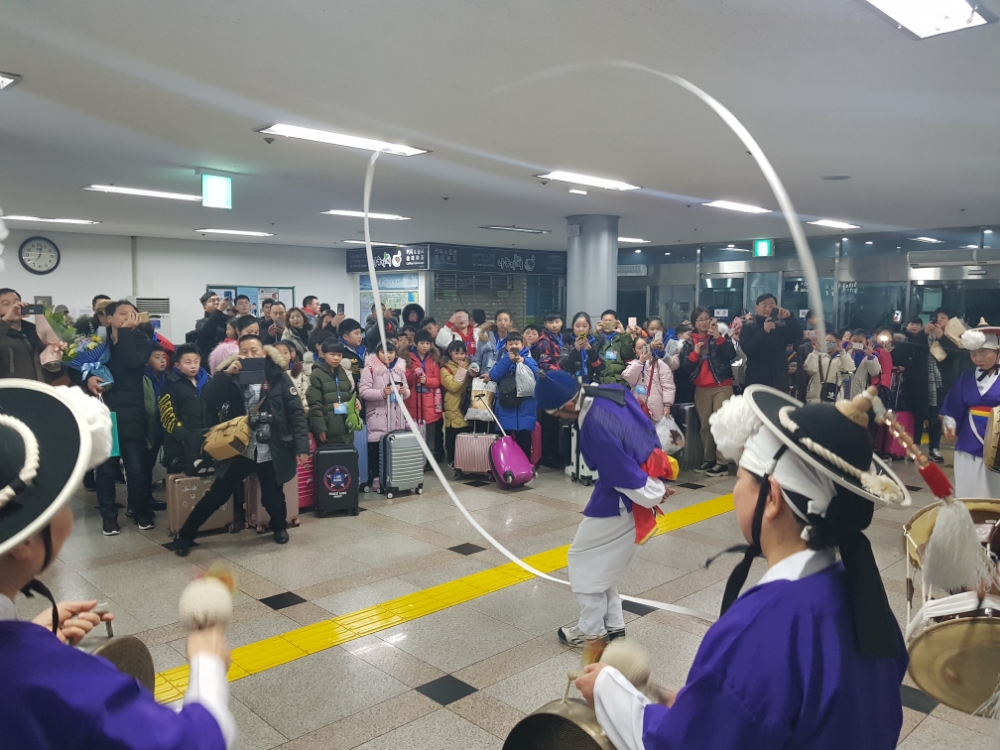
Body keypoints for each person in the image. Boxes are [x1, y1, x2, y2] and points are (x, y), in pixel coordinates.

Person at [577, 386, 908, 750]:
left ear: (772, 498)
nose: (735, 493)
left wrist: (608, 690)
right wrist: (704, 705)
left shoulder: (764, 626)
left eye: (740, 479)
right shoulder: (867, 602)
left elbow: (683, 745)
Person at [0, 380, 236, 749]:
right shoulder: (44, 677)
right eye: (60, 502)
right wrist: (208, 663)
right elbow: (193, 742)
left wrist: (23, 634)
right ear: (24, 544)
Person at [534, 370, 677, 646]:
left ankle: (592, 633)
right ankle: (614, 625)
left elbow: (621, 474)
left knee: (582, 560)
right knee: (602, 562)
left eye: (557, 414)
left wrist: (654, 493)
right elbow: (644, 434)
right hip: (636, 486)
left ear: (567, 405)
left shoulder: (595, 424)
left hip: (622, 500)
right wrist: (657, 481)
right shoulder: (612, 391)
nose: (560, 420)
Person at [174, 335, 309, 555]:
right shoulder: (231, 375)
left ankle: (279, 528)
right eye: (244, 351)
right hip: (238, 448)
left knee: (273, 497)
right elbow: (209, 399)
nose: (250, 355)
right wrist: (227, 375)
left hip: (271, 448)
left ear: (264, 352)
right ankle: (185, 535)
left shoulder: (278, 377)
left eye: (254, 351)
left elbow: (296, 413)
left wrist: (302, 448)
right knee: (217, 495)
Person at [87, 300, 156, 535]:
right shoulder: (97, 343)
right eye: (122, 314)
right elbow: (78, 368)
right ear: (109, 319)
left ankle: (139, 510)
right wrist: (87, 378)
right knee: (106, 470)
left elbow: (132, 362)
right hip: (104, 413)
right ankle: (108, 516)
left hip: (131, 413)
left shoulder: (142, 340)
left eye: (132, 314)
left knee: (136, 468)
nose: (128, 317)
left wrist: (125, 332)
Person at [940, 323, 1000, 497]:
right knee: (967, 486)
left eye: (983, 353)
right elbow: (954, 403)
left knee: (993, 490)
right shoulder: (966, 376)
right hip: (969, 438)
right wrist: (950, 425)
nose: (978, 359)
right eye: (973, 354)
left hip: (997, 440)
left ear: (998, 352)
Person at [678, 308, 737, 477]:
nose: (704, 322)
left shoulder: (719, 337)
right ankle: (708, 459)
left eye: (706, 319)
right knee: (705, 425)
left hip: (722, 385)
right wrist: (695, 355)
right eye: (700, 320)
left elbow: (730, 354)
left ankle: (722, 462)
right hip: (701, 388)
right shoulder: (689, 343)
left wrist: (718, 338)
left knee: (721, 424)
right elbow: (685, 368)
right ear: (694, 323)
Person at [358, 342, 411, 490]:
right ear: (377, 353)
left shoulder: (399, 369)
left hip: (396, 416)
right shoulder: (370, 369)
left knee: (394, 449)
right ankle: (377, 479)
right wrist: (381, 393)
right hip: (377, 417)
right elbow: (363, 391)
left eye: (391, 352)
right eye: (384, 352)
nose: (388, 355)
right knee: (377, 448)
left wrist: (405, 392)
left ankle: (395, 477)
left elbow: (407, 389)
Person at [892, 318, 944, 463]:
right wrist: (923, 334)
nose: (914, 327)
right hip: (917, 384)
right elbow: (904, 352)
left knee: (936, 418)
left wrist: (941, 337)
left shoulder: (942, 337)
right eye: (912, 324)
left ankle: (934, 448)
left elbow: (950, 355)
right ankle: (914, 448)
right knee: (917, 418)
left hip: (937, 385)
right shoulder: (906, 338)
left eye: (917, 324)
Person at [159, 343, 210, 475]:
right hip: (180, 444)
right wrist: (184, 437)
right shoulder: (170, 384)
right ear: (177, 365)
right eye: (188, 362)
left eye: (196, 362)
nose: (193, 366)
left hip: (207, 440)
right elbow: (167, 415)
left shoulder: (207, 381)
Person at [488, 333, 539, 459]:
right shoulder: (503, 358)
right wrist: (507, 361)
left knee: (524, 439)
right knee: (506, 440)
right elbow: (494, 375)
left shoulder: (529, 358)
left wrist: (524, 362)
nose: (514, 346)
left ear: (522, 345)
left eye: (517, 343)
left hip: (525, 405)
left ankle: (525, 465)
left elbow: (537, 375)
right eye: (510, 344)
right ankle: (507, 465)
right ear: (506, 346)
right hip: (506, 406)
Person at [740, 293, 803, 391]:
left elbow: (797, 338)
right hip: (757, 380)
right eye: (764, 305)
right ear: (756, 308)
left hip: (779, 380)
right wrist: (764, 331)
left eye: (771, 305)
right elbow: (747, 348)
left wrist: (790, 319)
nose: (768, 308)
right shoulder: (748, 327)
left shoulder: (781, 326)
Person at [307, 340, 357, 446]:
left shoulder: (342, 372)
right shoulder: (317, 374)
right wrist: (320, 428)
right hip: (328, 428)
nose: (336, 358)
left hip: (345, 426)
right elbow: (315, 404)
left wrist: (356, 400)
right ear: (323, 354)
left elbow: (348, 393)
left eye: (339, 355)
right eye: (332, 354)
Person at [406, 330, 444, 463]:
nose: (425, 346)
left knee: (430, 433)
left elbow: (437, 381)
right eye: (422, 343)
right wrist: (414, 376)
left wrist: (426, 380)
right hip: (413, 401)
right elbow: (406, 379)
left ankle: (429, 461)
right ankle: (416, 461)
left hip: (430, 402)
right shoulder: (408, 358)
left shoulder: (433, 359)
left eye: (428, 343)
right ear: (416, 343)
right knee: (415, 432)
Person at [0, 288, 53, 381]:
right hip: (7, 387)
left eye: (16, 302)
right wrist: (6, 320)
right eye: (6, 304)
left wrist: (56, 354)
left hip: (37, 387)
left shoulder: (35, 331)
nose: (14, 306)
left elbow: (50, 371)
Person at [623, 337, 675, 423]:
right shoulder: (632, 365)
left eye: (645, 347)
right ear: (634, 350)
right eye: (639, 348)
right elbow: (630, 379)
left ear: (649, 347)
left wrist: (667, 406)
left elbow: (668, 386)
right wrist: (640, 362)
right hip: (638, 406)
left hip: (657, 408)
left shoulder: (659, 364)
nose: (642, 350)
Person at [440, 340, 472, 466]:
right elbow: (453, 387)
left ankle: (466, 462)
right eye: (456, 353)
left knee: (467, 434)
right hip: (453, 405)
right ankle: (452, 460)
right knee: (453, 435)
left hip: (467, 405)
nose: (460, 356)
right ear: (450, 353)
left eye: (462, 353)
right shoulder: (445, 369)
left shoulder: (469, 363)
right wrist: (462, 370)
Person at [803, 333, 855, 404]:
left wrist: (842, 351)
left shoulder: (842, 358)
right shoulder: (817, 356)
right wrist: (815, 351)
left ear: (837, 342)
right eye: (826, 342)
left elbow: (850, 369)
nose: (828, 344)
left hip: (834, 399)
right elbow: (809, 369)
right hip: (815, 399)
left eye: (831, 342)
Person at [559, 312, 605, 384]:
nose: (581, 329)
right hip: (571, 382)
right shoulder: (567, 342)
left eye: (584, 326)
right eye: (577, 326)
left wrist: (590, 350)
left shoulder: (596, 342)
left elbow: (600, 368)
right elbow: (563, 366)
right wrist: (575, 350)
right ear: (573, 327)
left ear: (589, 327)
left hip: (592, 383)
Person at [594, 309, 635, 385]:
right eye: (605, 321)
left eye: (610, 321)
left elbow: (628, 356)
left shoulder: (622, 338)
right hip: (599, 382)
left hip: (618, 382)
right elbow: (591, 354)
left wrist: (623, 334)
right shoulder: (595, 337)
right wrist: (596, 334)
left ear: (616, 323)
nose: (607, 323)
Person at [273, 341, 309, 413]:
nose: (283, 356)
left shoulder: (300, 375)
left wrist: (305, 407)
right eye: (278, 353)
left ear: (290, 355)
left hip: (299, 412)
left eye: (286, 352)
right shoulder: (271, 377)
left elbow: (306, 394)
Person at [473, 309, 514, 374]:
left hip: (504, 378)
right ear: (495, 322)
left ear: (510, 323)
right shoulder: (485, 337)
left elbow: (514, 364)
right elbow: (477, 359)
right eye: (499, 320)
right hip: (484, 376)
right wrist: (474, 368)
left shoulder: (514, 341)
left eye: (506, 320)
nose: (502, 323)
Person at [338, 318, 367, 387]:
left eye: (360, 333)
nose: (360, 336)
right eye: (356, 333)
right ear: (345, 336)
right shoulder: (338, 351)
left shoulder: (364, 349)